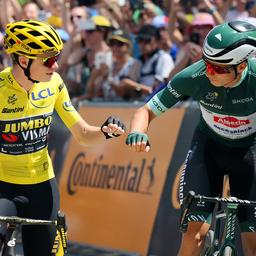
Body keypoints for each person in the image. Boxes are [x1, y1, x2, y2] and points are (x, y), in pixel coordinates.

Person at [126, 20, 256, 256]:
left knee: (253, 240)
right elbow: (145, 111)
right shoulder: (195, 76)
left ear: (242, 65)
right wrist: (138, 132)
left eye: (219, 68)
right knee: (194, 234)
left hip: (250, 152)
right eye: (207, 64)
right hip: (209, 149)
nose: (210, 72)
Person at [0, 19, 126, 256]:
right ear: (24, 60)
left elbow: (82, 134)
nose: (56, 66)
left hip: (41, 187)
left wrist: (104, 131)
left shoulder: (54, 84)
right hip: (3, 187)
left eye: (56, 57)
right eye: (48, 59)